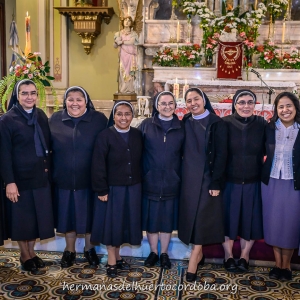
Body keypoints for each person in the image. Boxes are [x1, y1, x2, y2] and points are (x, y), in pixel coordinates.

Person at [49, 86, 108, 268]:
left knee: (90, 218)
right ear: (65, 101)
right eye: (70, 99)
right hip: (64, 179)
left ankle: (90, 250)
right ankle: (69, 250)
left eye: (79, 99)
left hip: (90, 181)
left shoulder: (98, 120)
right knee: (68, 218)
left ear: (86, 101)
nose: (74, 103)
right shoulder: (55, 119)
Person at [0, 79, 54, 271]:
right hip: (20, 180)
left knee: (36, 218)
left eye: (32, 93)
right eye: (24, 93)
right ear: (17, 95)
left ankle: (32, 252)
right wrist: (10, 182)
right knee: (23, 220)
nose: (29, 97)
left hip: (39, 176)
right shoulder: (8, 120)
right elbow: (4, 154)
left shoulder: (40, 115)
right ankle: (24, 255)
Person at [178, 87, 227, 282]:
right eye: (189, 101)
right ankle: (199, 254)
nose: (193, 103)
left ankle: (194, 258)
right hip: (189, 177)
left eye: (196, 99)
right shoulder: (185, 121)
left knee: (201, 217)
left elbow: (222, 155)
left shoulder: (217, 123)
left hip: (208, 177)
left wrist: (216, 181)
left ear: (204, 99)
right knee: (191, 215)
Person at [91, 101, 143, 278]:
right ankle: (111, 260)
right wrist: (102, 189)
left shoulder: (137, 135)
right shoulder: (104, 136)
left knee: (123, 224)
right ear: (113, 116)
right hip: (113, 190)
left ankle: (118, 255)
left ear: (132, 116)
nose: (123, 117)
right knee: (112, 225)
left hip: (133, 188)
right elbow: (98, 165)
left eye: (127, 114)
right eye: (119, 114)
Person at [138, 91, 184, 269]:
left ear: (175, 105)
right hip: (151, 179)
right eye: (163, 103)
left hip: (172, 180)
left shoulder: (180, 126)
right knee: (152, 220)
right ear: (157, 106)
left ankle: (164, 252)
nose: (167, 106)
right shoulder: (146, 125)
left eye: (170, 103)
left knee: (166, 220)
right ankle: (153, 252)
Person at [222, 89, 266, 272]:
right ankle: (228, 255)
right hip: (229, 181)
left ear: (255, 105)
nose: (245, 106)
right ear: (234, 104)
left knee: (251, 219)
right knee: (228, 219)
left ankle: (245, 255)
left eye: (250, 102)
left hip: (253, 180)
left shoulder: (262, 124)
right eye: (241, 102)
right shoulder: (224, 123)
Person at [261, 91, 300, 281]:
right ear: (276, 109)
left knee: (291, 224)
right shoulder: (268, 128)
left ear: (295, 108)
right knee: (274, 223)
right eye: (281, 106)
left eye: (289, 106)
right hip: (271, 181)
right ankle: (278, 265)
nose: (285, 110)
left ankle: (288, 266)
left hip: (294, 183)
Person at [114, 16, 138, 94]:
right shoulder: (118, 33)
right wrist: (116, 42)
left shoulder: (133, 33)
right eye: (125, 20)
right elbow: (115, 45)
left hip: (131, 56)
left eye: (129, 21)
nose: (127, 22)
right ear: (123, 22)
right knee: (122, 72)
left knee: (131, 73)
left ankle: (130, 89)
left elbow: (132, 42)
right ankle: (123, 88)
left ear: (131, 23)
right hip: (122, 56)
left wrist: (122, 42)